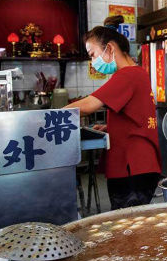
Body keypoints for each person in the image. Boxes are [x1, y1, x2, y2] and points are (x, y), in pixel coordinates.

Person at [66, 16, 161, 210]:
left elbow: (90, 104)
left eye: (93, 55)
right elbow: (138, 117)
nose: (93, 62)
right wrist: (112, 128)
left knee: (128, 227)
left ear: (109, 48)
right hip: (140, 164)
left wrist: (49, 116)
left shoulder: (127, 75)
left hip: (133, 166)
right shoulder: (138, 72)